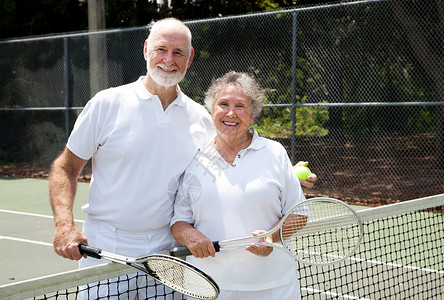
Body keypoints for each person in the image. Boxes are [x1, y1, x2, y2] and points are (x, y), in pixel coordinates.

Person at [49, 18, 316, 298]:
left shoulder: (201, 118)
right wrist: (64, 226)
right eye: (161, 49)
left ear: (189, 59)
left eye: (178, 53)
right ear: (145, 50)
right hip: (106, 249)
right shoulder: (106, 104)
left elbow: (233, 156)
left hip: (169, 255)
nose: (168, 59)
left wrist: (286, 172)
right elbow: (65, 167)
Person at [171, 71, 308, 299]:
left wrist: (272, 237)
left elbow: (300, 214)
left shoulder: (275, 153)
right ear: (212, 110)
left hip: (274, 288)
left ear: (252, 115)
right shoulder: (193, 159)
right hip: (208, 288)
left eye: (240, 106)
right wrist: (191, 237)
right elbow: (178, 223)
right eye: (223, 104)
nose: (231, 113)